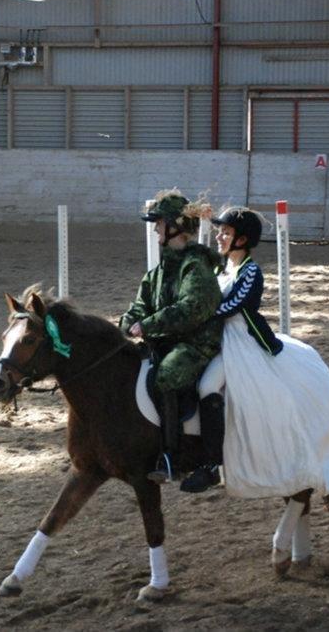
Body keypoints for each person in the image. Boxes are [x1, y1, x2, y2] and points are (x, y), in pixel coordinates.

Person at [187, 206, 329, 499]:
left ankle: (213, 464)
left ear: (242, 240)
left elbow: (234, 304)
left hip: (240, 340)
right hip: (214, 337)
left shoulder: (250, 271)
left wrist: (201, 314)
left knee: (208, 385)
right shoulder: (220, 267)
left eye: (226, 232)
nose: (219, 236)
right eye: (219, 231)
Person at [120, 189, 222, 484]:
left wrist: (148, 325)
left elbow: (190, 309)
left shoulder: (196, 267)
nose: (155, 229)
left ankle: (172, 456)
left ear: (175, 226)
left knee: (167, 373)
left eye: (159, 224)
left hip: (197, 343)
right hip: (165, 339)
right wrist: (128, 322)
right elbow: (141, 303)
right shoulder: (159, 270)